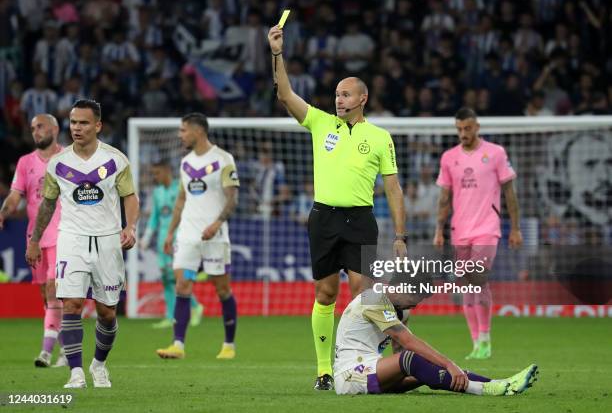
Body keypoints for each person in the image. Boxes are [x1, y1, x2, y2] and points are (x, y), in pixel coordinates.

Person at [268, 25, 407, 390]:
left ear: (362, 98)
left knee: (364, 294)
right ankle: (324, 370)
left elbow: (392, 186)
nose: (339, 100)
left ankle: (370, 361)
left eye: (345, 95)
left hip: (360, 220)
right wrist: (277, 53)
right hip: (323, 218)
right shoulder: (320, 123)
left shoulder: (379, 137)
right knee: (325, 293)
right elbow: (284, 94)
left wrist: (401, 234)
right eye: (336, 94)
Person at [25, 99, 139, 388]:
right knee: (72, 304)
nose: (77, 127)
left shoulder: (115, 159)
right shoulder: (58, 163)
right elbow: (47, 205)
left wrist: (130, 226)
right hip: (71, 239)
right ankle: (75, 373)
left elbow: (130, 197)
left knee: (107, 312)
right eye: (73, 122)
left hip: (107, 241)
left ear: (98, 125)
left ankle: (98, 365)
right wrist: (35, 240)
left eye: (84, 122)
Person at [434, 107, 523, 360]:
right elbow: (444, 198)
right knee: (467, 286)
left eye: (468, 128)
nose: (463, 133)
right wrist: (438, 230)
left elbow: (509, 193)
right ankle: (477, 344)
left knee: (477, 278)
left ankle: (485, 338)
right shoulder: (449, 157)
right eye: (459, 129)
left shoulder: (495, 153)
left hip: (487, 228)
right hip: (459, 230)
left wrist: (515, 228)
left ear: (477, 127)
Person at [333, 287, 538, 396]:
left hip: (370, 372)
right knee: (413, 360)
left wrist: (439, 367)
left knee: (427, 369)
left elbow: (401, 349)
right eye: (413, 299)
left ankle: (501, 384)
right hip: (351, 375)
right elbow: (408, 342)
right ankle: (482, 390)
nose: (413, 306)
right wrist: (449, 363)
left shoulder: (397, 308)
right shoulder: (374, 298)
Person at [156, 113, 239, 360]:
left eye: (183, 130)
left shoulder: (223, 159)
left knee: (222, 288)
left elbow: (232, 197)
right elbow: (181, 199)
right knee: (182, 284)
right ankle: (177, 345)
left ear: (198, 131)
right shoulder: (185, 163)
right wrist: (170, 232)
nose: (180, 135)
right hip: (188, 234)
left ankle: (228, 345)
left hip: (215, 235)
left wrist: (217, 223)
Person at [0, 114, 66, 368]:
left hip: (63, 233)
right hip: (35, 238)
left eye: (40, 127)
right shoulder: (25, 162)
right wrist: (4, 212)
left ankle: (46, 352)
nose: (35, 132)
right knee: (46, 295)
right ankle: (64, 347)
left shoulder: (68, 158)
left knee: (53, 288)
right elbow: (16, 196)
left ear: (54, 129)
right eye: (32, 129)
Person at [140, 160, 204, 329]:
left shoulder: (180, 188)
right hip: (163, 241)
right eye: (153, 174)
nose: (156, 176)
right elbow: (155, 217)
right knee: (166, 279)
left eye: (158, 173)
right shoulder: (157, 192)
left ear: (167, 170)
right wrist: (147, 237)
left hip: (179, 239)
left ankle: (196, 307)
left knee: (177, 277)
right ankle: (170, 316)